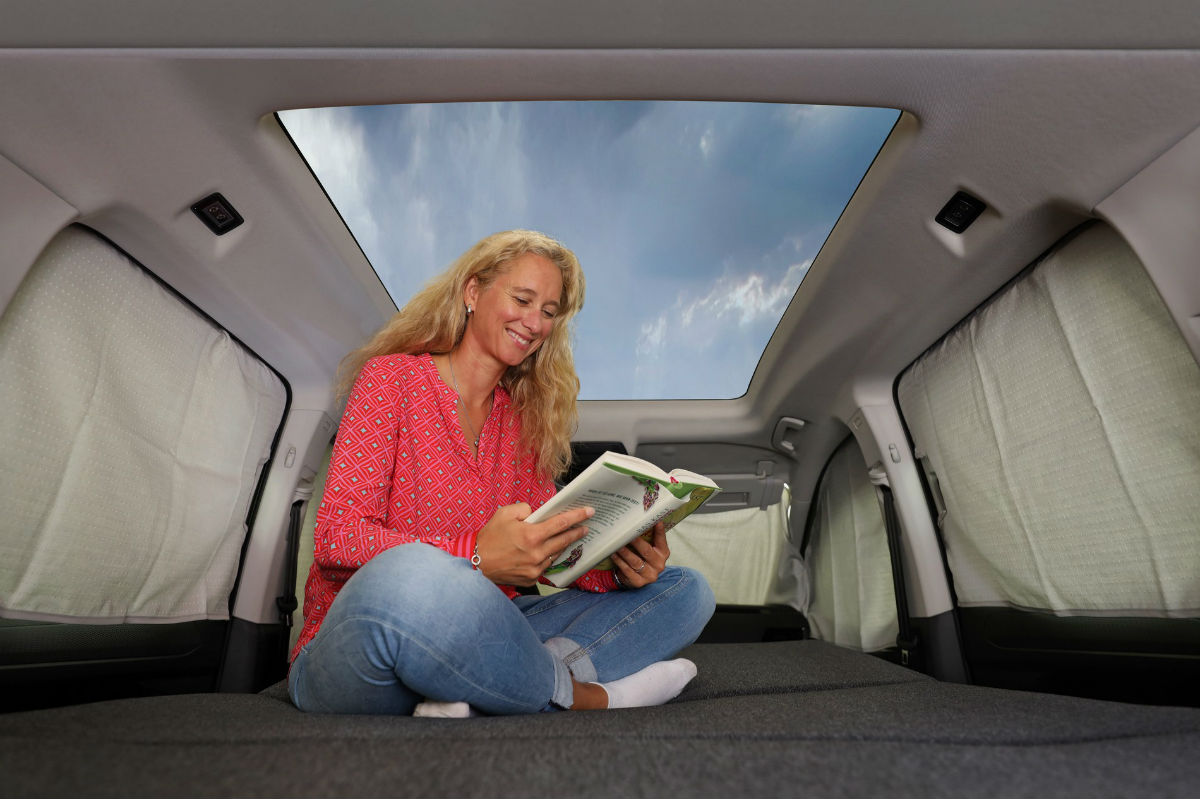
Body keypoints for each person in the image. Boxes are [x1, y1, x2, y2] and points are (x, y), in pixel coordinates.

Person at [287, 229, 715, 716]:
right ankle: (585, 695)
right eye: (523, 299)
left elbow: (554, 556)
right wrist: (474, 557)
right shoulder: (391, 379)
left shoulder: (519, 423)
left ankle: (483, 687)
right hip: (366, 638)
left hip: (481, 629)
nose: (534, 322)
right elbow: (338, 539)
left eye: (548, 312)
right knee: (409, 578)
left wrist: (622, 567)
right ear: (473, 292)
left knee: (686, 591)